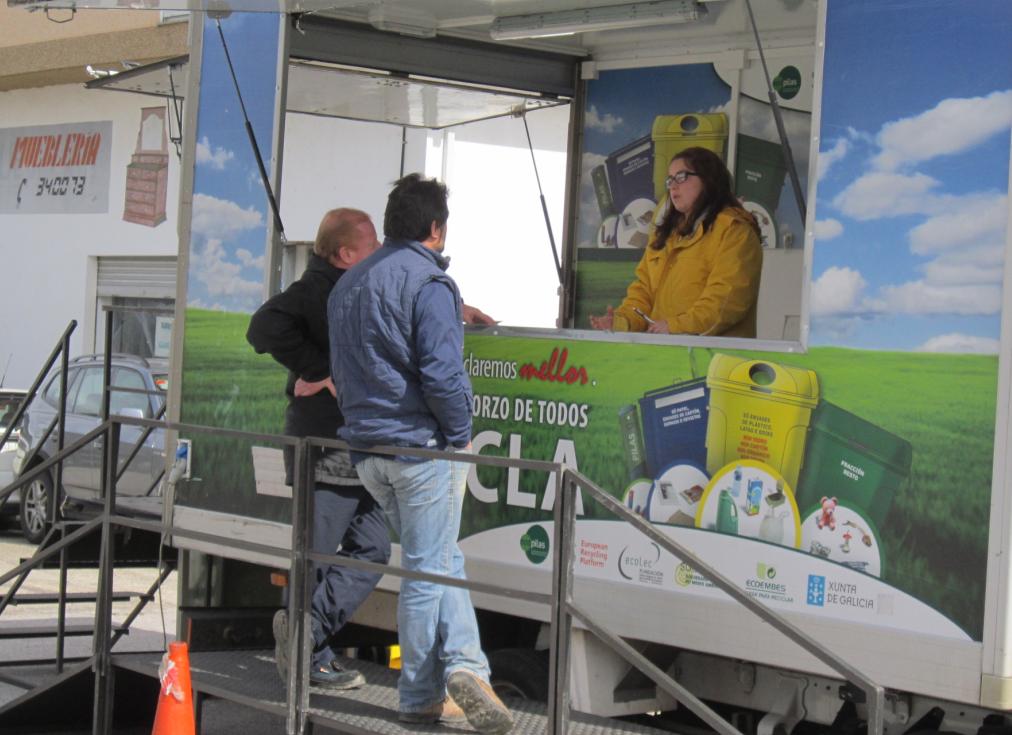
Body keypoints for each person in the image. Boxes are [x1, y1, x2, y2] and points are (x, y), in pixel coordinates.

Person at [328, 174, 514, 735]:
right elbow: (441, 371)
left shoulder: (348, 283)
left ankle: (467, 669)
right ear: (436, 228)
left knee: (440, 559)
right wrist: (460, 433)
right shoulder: (431, 283)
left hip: (368, 450)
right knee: (427, 572)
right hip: (421, 449)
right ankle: (418, 695)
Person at [246, 207, 391, 690]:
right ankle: (309, 656)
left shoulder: (353, 287)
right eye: (371, 245)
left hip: (357, 449)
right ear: (346, 254)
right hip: (326, 449)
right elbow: (262, 327)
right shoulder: (318, 289)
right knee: (319, 557)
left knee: (371, 549)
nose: (379, 251)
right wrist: (318, 369)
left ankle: (304, 638)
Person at [590, 146, 763, 337]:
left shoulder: (735, 230)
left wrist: (676, 326)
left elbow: (727, 300)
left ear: (708, 179)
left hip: (714, 360)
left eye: (681, 177)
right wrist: (621, 321)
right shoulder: (664, 235)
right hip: (665, 353)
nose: (673, 186)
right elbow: (643, 291)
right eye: (670, 179)